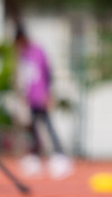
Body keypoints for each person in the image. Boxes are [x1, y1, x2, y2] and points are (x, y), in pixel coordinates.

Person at [14, 25, 72, 179]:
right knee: (33, 129)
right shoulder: (23, 55)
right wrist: (24, 94)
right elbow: (26, 77)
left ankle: (60, 156)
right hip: (31, 98)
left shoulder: (38, 51)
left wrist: (48, 93)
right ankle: (35, 157)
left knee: (47, 125)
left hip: (41, 96)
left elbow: (47, 73)